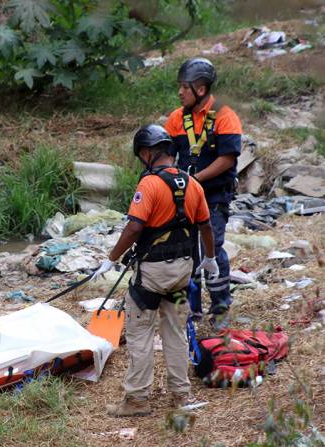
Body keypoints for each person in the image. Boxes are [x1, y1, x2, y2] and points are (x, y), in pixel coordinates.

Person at [93, 125, 218, 416]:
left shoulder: (148, 185)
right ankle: (180, 397)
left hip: (151, 275)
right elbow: (206, 227)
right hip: (182, 273)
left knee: (140, 333)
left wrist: (111, 259)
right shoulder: (193, 184)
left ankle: (137, 400)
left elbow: (135, 227)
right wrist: (210, 257)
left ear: (148, 153)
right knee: (175, 332)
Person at [165, 58, 242, 330]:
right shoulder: (177, 118)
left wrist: (195, 179)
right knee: (187, 250)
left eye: (184, 87)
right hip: (185, 195)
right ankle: (192, 309)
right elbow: (167, 156)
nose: (179, 92)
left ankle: (220, 308)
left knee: (212, 247)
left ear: (200, 89)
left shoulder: (224, 115)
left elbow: (228, 158)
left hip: (214, 195)